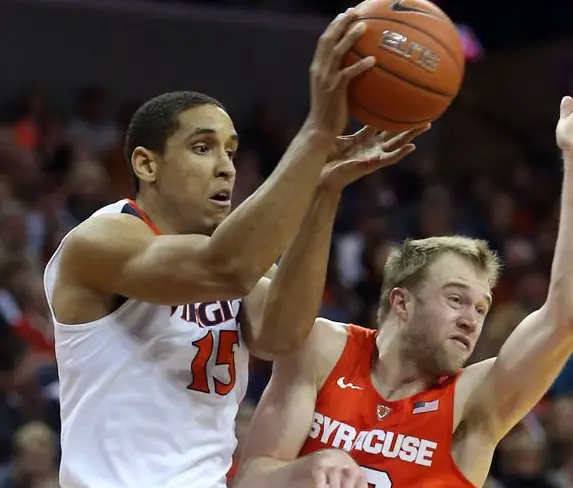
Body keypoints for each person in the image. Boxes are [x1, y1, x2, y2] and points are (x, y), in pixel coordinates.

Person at [42, 8, 426, 488]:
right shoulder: (100, 241)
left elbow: (282, 335)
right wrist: (315, 134)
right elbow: (225, 269)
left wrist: (323, 191)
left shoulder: (229, 258)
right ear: (146, 164)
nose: (226, 166)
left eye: (230, 150)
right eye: (203, 147)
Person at [235, 96, 573, 488]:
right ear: (401, 302)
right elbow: (252, 479)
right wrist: (308, 469)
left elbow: (563, 316)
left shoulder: (472, 401)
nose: (471, 320)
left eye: (481, 309)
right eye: (456, 299)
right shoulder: (324, 351)